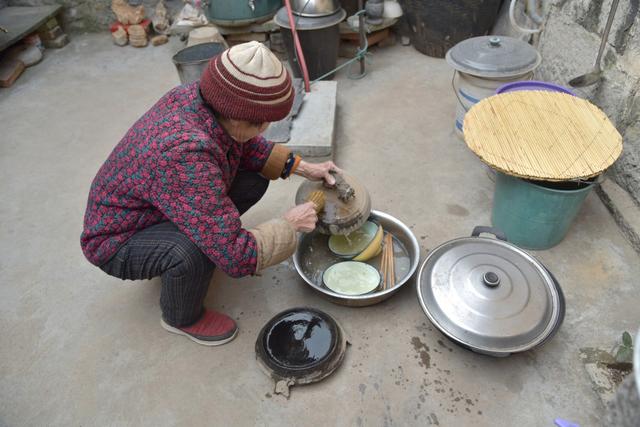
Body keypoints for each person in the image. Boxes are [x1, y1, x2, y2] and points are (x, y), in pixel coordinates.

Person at [81, 41, 340, 346]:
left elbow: (244, 144)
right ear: (239, 117)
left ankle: (201, 242)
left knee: (254, 180)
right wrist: (289, 226)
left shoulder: (201, 99)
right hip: (117, 239)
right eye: (263, 123)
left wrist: (303, 167)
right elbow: (235, 257)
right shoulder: (184, 153)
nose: (266, 128)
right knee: (190, 251)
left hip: (159, 203)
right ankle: (180, 316)